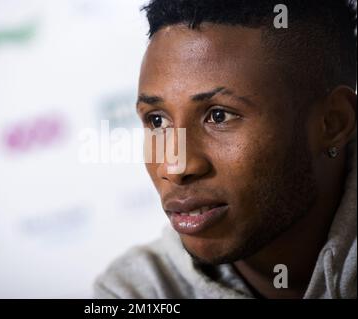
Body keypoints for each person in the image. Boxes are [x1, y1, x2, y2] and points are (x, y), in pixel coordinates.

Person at [94, 0, 357, 299]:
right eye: (157, 120)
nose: (175, 166)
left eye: (219, 116)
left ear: (333, 123)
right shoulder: (136, 293)